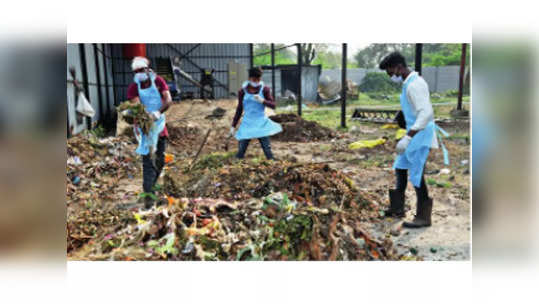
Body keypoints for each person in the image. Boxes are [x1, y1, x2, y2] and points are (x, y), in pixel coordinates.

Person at [378, 52, 448, 228]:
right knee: (400, 167)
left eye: (390, 72)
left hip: (420, 136)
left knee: (416, 176)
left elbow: (426, 113)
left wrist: (408, 137)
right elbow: (414, 109)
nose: (390, 76)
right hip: (413, 132)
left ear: (398, 67)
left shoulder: (414, 85)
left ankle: (423, 217)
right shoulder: (409, 83)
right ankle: (397, 208)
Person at [126, 56, 173, 208]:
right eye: (136, 71)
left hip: (160, 127)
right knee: (148, 165)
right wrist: (143, 117)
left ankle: (150, 191)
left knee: (159, 162)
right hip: (145, 130)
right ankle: (148, 201)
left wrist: (157, 113)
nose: (139, 73)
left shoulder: (158, 81)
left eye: (141, 70)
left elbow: (168, 100)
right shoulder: (134, 87)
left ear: (148, 70)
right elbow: (137, 106)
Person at [230, 67, 282, 160]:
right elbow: (239, 109)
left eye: (258, 80)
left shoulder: (264, 89)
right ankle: (237, 166)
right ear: (249, 79)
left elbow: (273, 105)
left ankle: (273, 165)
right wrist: (233, 125)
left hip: (260, 122)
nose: (256, 82)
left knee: (267, 150)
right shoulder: (242, 91)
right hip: (247, 123)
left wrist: (262, 101)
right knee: (241, 150)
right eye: (254, 80)